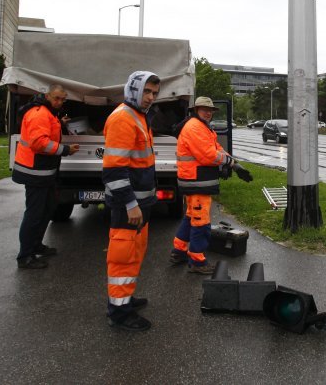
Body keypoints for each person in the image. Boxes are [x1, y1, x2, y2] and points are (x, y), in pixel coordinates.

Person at [103, 71, 160, 331]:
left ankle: (126, 298)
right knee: (123, 257)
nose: (150, 98)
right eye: (146, 91)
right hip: (130, 206)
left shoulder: (138, 116)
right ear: (133, 90)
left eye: (154, 93)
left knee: (135, 253)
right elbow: (114, 170)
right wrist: (130, 204)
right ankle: (119, 312)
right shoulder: (123, 118)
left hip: (140, 203)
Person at [170, 96, 252, 273]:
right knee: (201, 221)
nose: (208, 112)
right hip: (197, 181)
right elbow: (209, 155)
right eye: (204, 109)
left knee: (192, 216)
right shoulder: (195, 128)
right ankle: (197, 262)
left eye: (210, 110)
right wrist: (229, 163)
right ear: (195, 110)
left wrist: (234, 163)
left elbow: (217, 149)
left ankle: (179, 251)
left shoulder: (202, 127)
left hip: (194, 179)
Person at [12, 84, 79, 269]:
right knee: (34, 214)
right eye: (56, 98)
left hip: (44, 172)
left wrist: (61, 124)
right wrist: (65, 150)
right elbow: (39, 143)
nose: (59, 102)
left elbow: (46, 132)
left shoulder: (49, 113)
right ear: (47, 95)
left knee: (47, 209)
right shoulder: (40, 113)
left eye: (63, 99)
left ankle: (36, 245)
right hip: (34, 172)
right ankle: (25, 256)